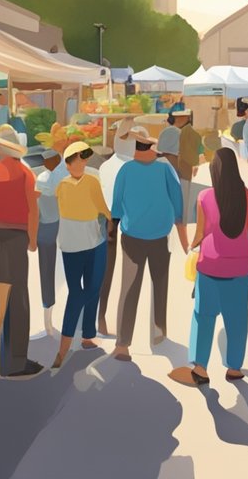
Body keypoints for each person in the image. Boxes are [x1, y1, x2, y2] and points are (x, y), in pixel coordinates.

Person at [168, 147, 248, 386]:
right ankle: (234, 368)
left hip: (209, 265)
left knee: (203, 315)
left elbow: (200, 232)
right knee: (238, 318)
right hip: (240, 266)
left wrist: (192, 246)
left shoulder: (205, 197)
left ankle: (200, 368)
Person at [110, 126, 188, 361]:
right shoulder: (166, 170)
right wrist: (185, 242)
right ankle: (159, 331)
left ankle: (123, 344)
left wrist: (113, 232)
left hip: (132, 237)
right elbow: (178, 207)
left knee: (129, 288)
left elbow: (115, 205)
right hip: (159, 238)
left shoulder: (125, 170)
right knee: (160, 283)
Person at [0, 126, 44, 379]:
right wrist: (33, 240)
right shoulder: (26, 173)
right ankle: (16, 361)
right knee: (19, 297)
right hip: (18, 237)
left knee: (3, 294)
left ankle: (3, 357)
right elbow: (32, 210)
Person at [52, 141, 111, 369]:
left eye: (84, 159)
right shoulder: (72, 185)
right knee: (81, 292)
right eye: (79, 159)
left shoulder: (70, 184)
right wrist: (110, 219)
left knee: (88, 289)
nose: (83, 163)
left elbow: (100, 208)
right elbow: (104, 209)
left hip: (80, 243)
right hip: (84, 244)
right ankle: (64, 348)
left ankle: (87, 334)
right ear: (68, 163)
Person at [96, 117, 138, 336]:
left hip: (107, 222)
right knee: (120, 274)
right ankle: (108, 319)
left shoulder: (106, 165)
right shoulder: (130, 167)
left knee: (106, 272)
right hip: (119, 223)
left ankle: (102, 317)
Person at [34, 148, 67, 337]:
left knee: (49, 273)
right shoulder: (48, 177)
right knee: (51, 274)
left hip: (51, 229)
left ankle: (49, 318)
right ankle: (49, 318)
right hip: (56, 229)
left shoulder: (45, 178)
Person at [175, 109, 204, 224]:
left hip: (184, 170)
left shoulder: (182, 134)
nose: (177, 120)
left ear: (187, 119)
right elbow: (200, 153)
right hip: (189, 171)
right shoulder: (194, 134)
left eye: (180, 118)